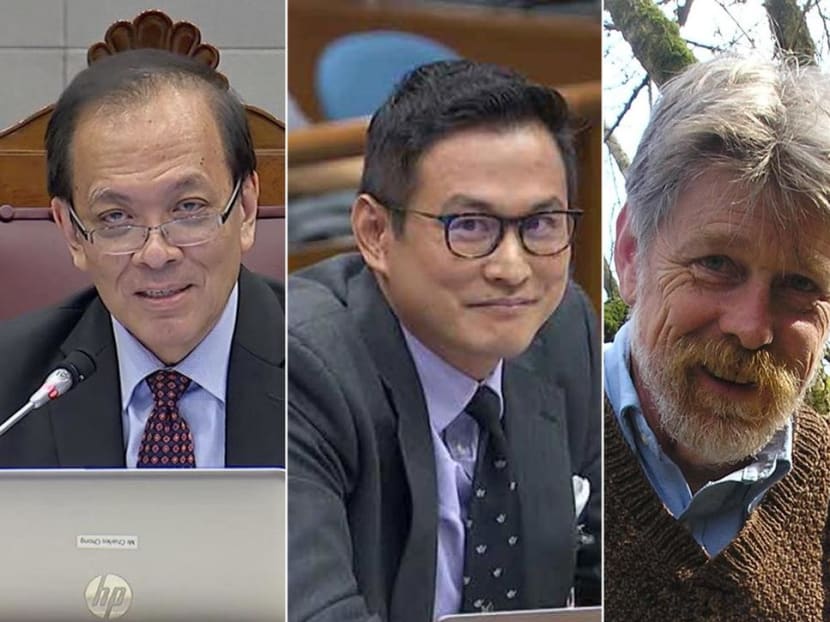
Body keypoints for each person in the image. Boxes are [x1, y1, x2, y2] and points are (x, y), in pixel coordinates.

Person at [288, 60, 600, 621]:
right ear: (376, 234)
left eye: (541, 225)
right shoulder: (298, 367)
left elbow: (605, 572)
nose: (513, 268)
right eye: (470, 226)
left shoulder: (562, 329)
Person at [605, 56, 830, 620]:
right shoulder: (495, 448)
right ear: (632, 254)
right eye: (716, 264)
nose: (751, 326)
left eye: (799, 284)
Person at [0, 49, 284, 468]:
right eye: (116, 217)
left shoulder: (323, 367)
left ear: (244, 208)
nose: (156, 254)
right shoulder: (11, 386)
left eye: (188, 208)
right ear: (71, 232)